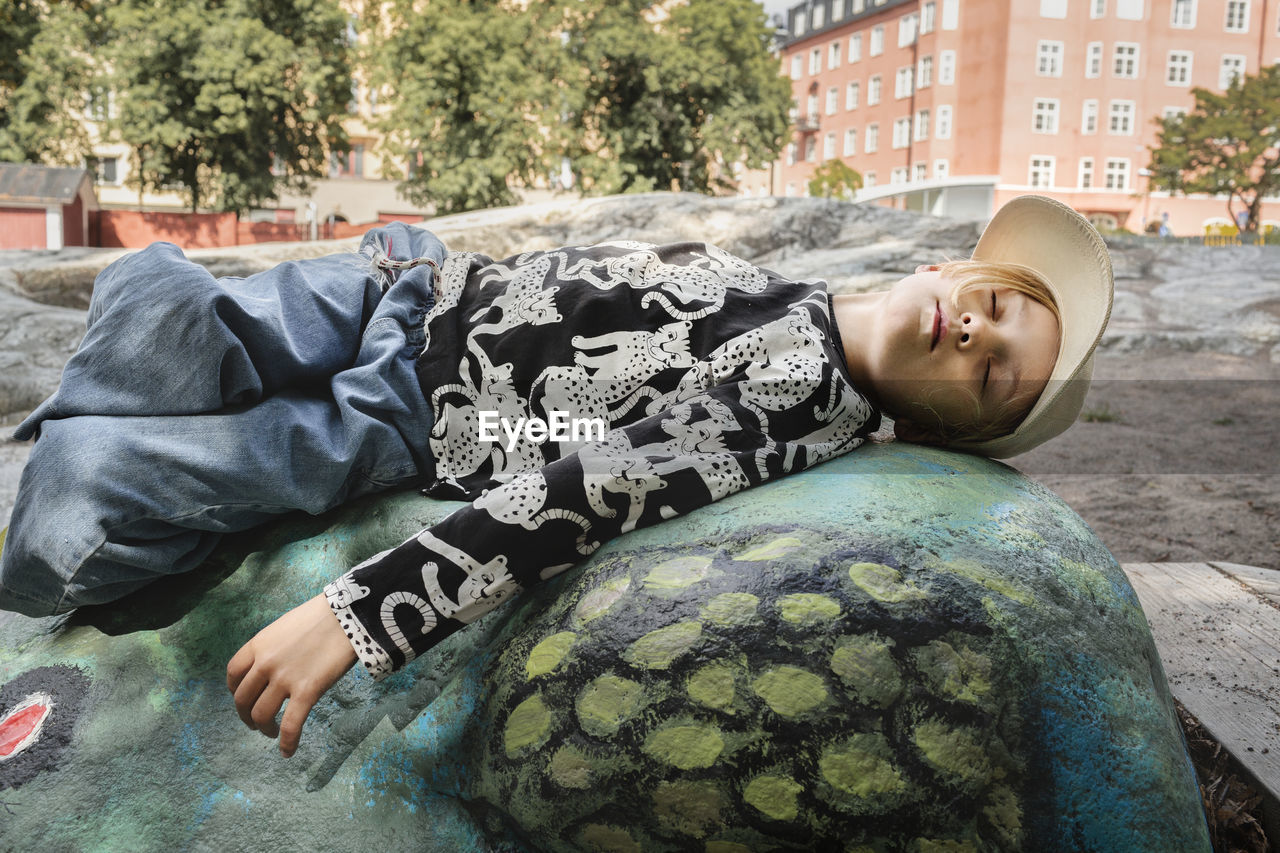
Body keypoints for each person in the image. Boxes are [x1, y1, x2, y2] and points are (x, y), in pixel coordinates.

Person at [0, 195, 1113, 758]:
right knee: (161, 303)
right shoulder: (809, 297)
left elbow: (595, 490)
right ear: (952, 268)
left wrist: (360, 612)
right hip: (416, 298)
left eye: (992, 374)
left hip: (416, 413)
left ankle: (56, 513)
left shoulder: (801, 402)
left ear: (937, 424)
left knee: (112, 493)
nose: (976, 333)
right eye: (999, 305)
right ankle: (75, 422)